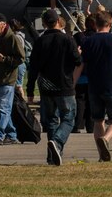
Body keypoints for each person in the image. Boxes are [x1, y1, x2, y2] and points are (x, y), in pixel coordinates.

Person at [74, 11, 112, 162]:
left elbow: (80, 65)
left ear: (96, 24)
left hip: (94, 86)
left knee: (98, 120)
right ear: (110, 24)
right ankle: (106, 139)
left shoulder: (87, 41)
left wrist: (73, 84)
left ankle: (102, 155)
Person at [26, 9, 81, 165]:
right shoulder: (67, 40)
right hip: (64, 86)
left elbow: (33, 68)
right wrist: (77, 53)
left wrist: (30, 90)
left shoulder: (40, 42)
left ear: (44, 24)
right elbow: (78, 61)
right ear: (58, 21)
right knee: (68, 118)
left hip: (46, 87)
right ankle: (57, 142)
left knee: (51, 121)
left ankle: (53, 156)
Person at [0, 13, 25, 145]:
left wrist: (4, 59)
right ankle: (12, 134)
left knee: (4, 109)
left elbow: (21, 58)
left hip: (7, 81)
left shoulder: (12, 38)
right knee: (3, 109)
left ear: (3, 24)